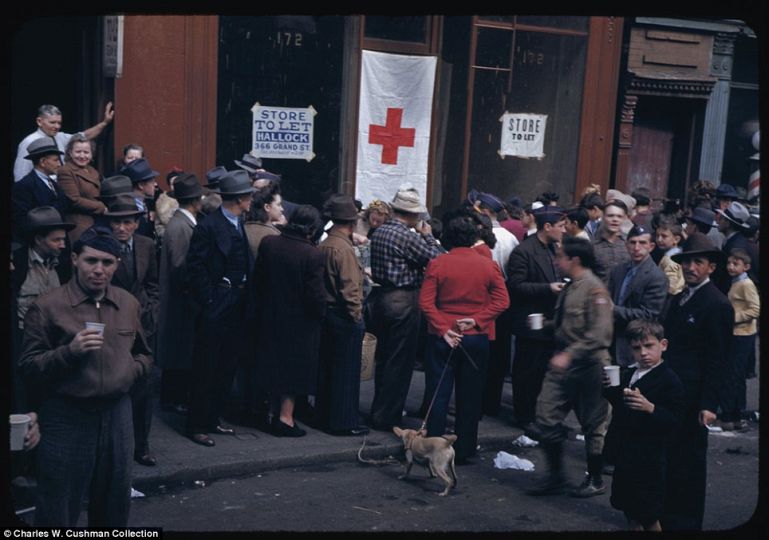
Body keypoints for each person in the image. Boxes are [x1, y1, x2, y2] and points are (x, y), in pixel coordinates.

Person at [19, 226, 152, 527]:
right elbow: (28, 367)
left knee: (114, 504)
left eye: (107, 262)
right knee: (58, 506)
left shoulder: (127, 303)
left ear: (117, 265)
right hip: (67, 416)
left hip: (118, 416)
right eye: (91, 261)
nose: (99, 270)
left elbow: (144, 352)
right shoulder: (48, 306)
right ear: (75, 259)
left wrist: (131, 371)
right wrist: (69, 352)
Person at [526, 236, 613, 498]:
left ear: (574, 260)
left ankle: (595, 478)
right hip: (565, 364)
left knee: (593, 426)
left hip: (590, 366)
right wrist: (547, 324)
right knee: (545, 415)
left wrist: (570, 354)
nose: (556, 260)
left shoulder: (595, 290)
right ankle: (556, 476)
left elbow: (600, 334)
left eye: (560, 256)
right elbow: (570, 324)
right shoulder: (570, 287)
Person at [419, 215, 509, 463]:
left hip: (442, 336)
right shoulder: (486, 265)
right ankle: (466, 447)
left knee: (438, 393)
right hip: (475, 337)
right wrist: (478, 319)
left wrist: (442, 328)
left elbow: (425, 302)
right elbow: (503, 301)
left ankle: (433, 447)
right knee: (470, 395)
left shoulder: (437, 263)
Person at [661, 232, 733, 530]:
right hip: (671, 392)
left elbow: (718, 360)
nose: (691, 267)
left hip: (694, 397)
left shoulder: (717, 304)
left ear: (711, 267)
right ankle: (666, 517)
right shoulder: (678, 298)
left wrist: (708, 403)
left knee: (689, 462)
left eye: (698, 262)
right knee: (669, 457)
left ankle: (686, 523)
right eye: (687, 262)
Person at [185, 170, 254, 447]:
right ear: (240, 198)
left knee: (226, 365)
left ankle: (212, 419)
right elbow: (195, 268)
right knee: (206, 366)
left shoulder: (238, 222)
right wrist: (210, 300)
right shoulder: (208, 226)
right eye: (249, 195)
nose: (252, 199)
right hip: (218, 303)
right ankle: (196, 425)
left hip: (237, 303)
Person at [367, 185, 442, 431]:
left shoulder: (379, 232)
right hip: (403, 299)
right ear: (410, 214)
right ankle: (387, 416)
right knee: (399, 361)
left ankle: (380, 409)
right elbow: (437, 258)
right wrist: (428, 235)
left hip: (381, 298)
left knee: (385, 358)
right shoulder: (406, 235)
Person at [602, 320, 684, 532]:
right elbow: (619, 407)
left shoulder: (669, 380)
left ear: (663, 345)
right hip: (625, 452)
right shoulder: (629, 373)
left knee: (648, 512)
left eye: (649, 346)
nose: (643, 353)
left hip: (649, 457)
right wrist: (610, 388)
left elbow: (674, 419)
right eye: (637, 348)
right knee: (628, 506)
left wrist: (651, 408)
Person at [254, 205, 326, 437]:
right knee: (293, 371)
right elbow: (315, 295)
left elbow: (258, 280)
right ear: (312, 228)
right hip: (299, 322)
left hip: (269, 315)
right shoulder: (312, 254)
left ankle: (267, 412)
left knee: (271, 365)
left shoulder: (269, 243)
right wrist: (320, 315)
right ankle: (285, 418)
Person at [105, 195, 160, 467]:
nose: (122, 228)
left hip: (143, 325)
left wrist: (152, 311)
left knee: (144, 387)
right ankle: (116, 447)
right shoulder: (102, 247)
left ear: (137, 224)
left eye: (127, 222)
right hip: (113, 325)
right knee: (116, 386)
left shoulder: (146, 245)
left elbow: (152, 283)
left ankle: (142, 445)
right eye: (117, 222)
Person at [505, 206, 566, 429]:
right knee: (527, 373)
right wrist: (548, 288)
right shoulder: (524, 251)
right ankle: (525, 417)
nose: (564, 230)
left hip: (551, 322)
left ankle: (542, 416)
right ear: (547, 227)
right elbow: (516, 286)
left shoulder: (554, 249)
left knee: (544, 374)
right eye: (560, 226)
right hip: (530, 322)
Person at [11, 207, 75, 412]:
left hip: (54, 340)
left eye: (63, 239)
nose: (62, 245)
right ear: (38, 239)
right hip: (22, 341)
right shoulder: (17, 263)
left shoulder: (63, 264)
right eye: (56, 240)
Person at [316, 194, 369, 436]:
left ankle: (324, 417)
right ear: (351, 222)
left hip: (326, 314)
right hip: (343, 316)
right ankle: (343, 422)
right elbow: (350, 289)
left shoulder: (324, 244)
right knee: (346, 373)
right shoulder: (344, 249)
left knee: (327, 370)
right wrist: (356, 315)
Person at [156, 173, 204, 415]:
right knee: (179, 350)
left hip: (180, 299)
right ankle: (173, 400)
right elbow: (179, 265)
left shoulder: (182, 223)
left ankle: (174, 397)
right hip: (180, 300)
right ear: (195, 200)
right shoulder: (181, 226)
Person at [606, 225, 668, 367]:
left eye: (642, 243)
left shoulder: (656, 277)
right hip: (612, 339)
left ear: (651, 246)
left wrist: (614, 310)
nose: (636, 247)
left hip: (638, 343)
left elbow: (649, 314)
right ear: (626, 245)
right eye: (633, 243)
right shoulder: (618, 270)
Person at [13, 102, 114, 182]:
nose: (57, 126)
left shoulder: (60, 137)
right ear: (39, 121)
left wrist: (104, 123)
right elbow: (21, 174)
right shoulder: (29, 142)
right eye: (52, 122)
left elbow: (84, 136)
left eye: (59, 123)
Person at [719, 249, 759, 431]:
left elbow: (755, 309)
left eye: (735, 264)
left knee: (732, 375)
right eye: (729, 263)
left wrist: (733, 317)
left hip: (742, 334)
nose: (730, 267)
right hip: (736, 333)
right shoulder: (736, 282)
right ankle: (735, 416)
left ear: (746, 267)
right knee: (736, 375)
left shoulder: (745, 284)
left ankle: (729, 416)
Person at [56, 134, 106, 243]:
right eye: (78, 152)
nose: (82, 156)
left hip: (97, 222)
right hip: (79, 223)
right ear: (70, 152)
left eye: (86, 152)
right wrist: (101, 207)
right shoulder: (65, 171)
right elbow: (73, 200)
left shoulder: (92, 170)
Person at [12, 138, 67, 234]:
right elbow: (22, 220)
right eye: (56, 160)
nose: (59, 164)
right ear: (43, 162)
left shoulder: (54, 183)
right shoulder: (24, 186)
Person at [714, 201, 759, 293]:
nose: (718, 220)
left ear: (728, 223)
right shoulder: (733, 241)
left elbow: (729, 279)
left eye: (722, 218)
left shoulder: (736, 247)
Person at [119, 158, 159, 240]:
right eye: (152, 181)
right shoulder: (128, 207)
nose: (155, 184)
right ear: (141, 185)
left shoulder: (145, 203)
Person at [592, 199, 630, 283]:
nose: (615, 219)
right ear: (603, 216)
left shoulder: (630, 244)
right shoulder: (592, 246)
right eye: (610, 216)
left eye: (619, 216)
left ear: (625, 218)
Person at [655, 219, 685, 296]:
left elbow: (671, 287)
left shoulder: (670, 260)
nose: (659, 239)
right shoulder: (680, 253)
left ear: (676, 239)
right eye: (657, 235)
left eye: (664, 236)